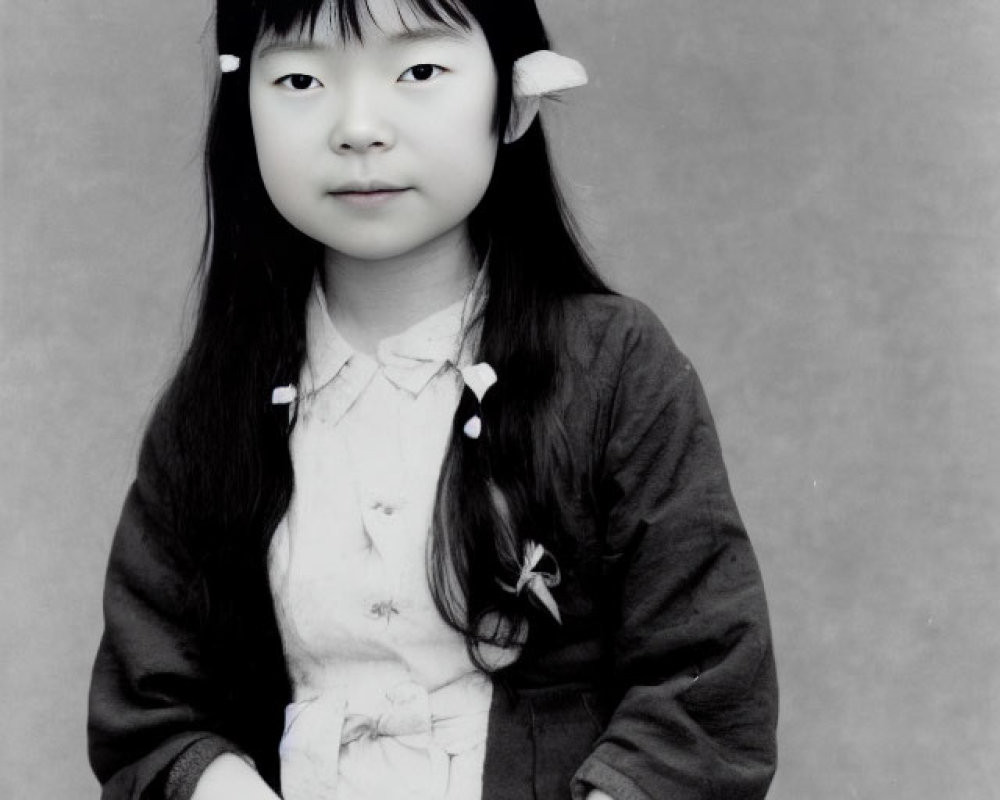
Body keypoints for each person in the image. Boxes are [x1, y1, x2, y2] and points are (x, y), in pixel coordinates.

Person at [87, 0, 779, 798]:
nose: (357, 127)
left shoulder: (614, 366)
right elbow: (150, 709)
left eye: (418, 71)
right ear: (244, 109)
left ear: (512, 100)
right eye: (302, 78)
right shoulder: (213, 403)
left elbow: (707, 681)